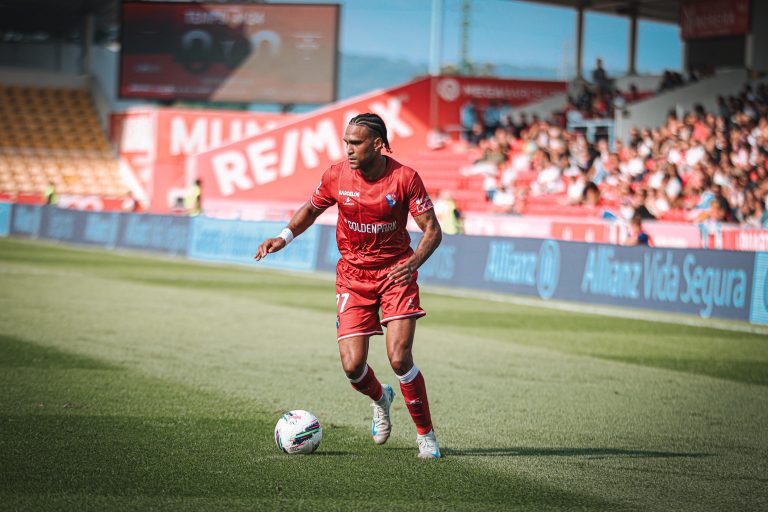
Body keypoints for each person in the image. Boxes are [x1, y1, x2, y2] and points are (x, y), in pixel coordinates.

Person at [254, 113, 444, 459]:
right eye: (346, 143)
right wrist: (284, 237)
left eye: (355, 143)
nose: (349, 149)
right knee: (353, 367)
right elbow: (311, 209)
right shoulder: (335, 175)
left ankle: (426, 436)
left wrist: (413, 262)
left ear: (377, 144)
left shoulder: (405, 178)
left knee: (399, 357)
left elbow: (432, 229)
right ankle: (381, 398)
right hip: (353, 278)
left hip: (395, 274)